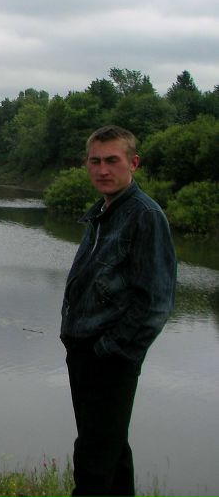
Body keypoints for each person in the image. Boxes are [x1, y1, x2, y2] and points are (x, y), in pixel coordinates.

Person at [61, 125, 177, 497]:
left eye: (112, 160)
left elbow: (155, 303)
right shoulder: (104, 212)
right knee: (112, 451)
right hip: (84, 351)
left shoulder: (144, 215)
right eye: (95, 161)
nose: (102, 170)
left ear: (134, 163)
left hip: (109, 357)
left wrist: (110, 350)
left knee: (93, 458)